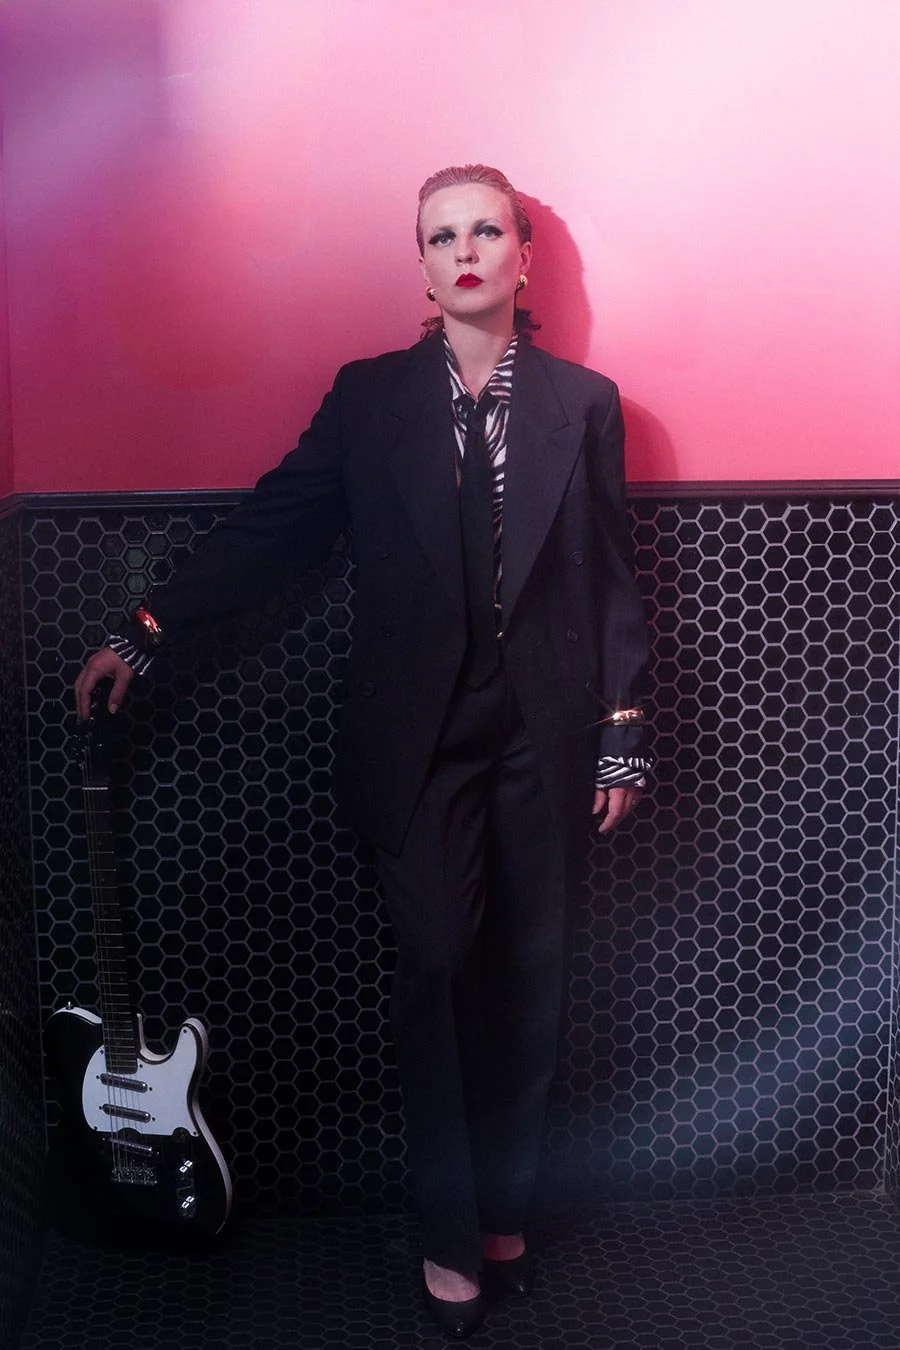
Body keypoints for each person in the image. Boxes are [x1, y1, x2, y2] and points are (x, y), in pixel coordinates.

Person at [74, 164, 652, 1340]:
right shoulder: (370, 397)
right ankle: (448, 1231)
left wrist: (622, 734)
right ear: (423, 268)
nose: (465, 250)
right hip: (419, 736)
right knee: (437, 966)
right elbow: (275, 526)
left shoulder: (584, 403)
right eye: (442, 236)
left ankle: (505, 1216)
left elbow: (609, 576)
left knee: (531, 975)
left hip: (544, 733)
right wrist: (148, 627)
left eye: (485, 230)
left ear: (523, 258)